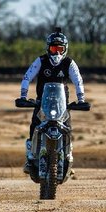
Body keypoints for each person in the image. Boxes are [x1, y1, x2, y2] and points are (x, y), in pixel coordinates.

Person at [19, 28, 86, 174]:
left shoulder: (69, 63)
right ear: (48, 48)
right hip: (42, 102)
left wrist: (81, 99)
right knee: (35, 126)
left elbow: (78, 80)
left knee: (67, 128)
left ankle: (68, 157)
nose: (56, 52)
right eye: (53, 48)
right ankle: (30, 158)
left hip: (62, 104)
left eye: (60, 49)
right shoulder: (41, 61)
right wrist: (23, 97)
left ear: (65, 49)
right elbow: (26, 77)